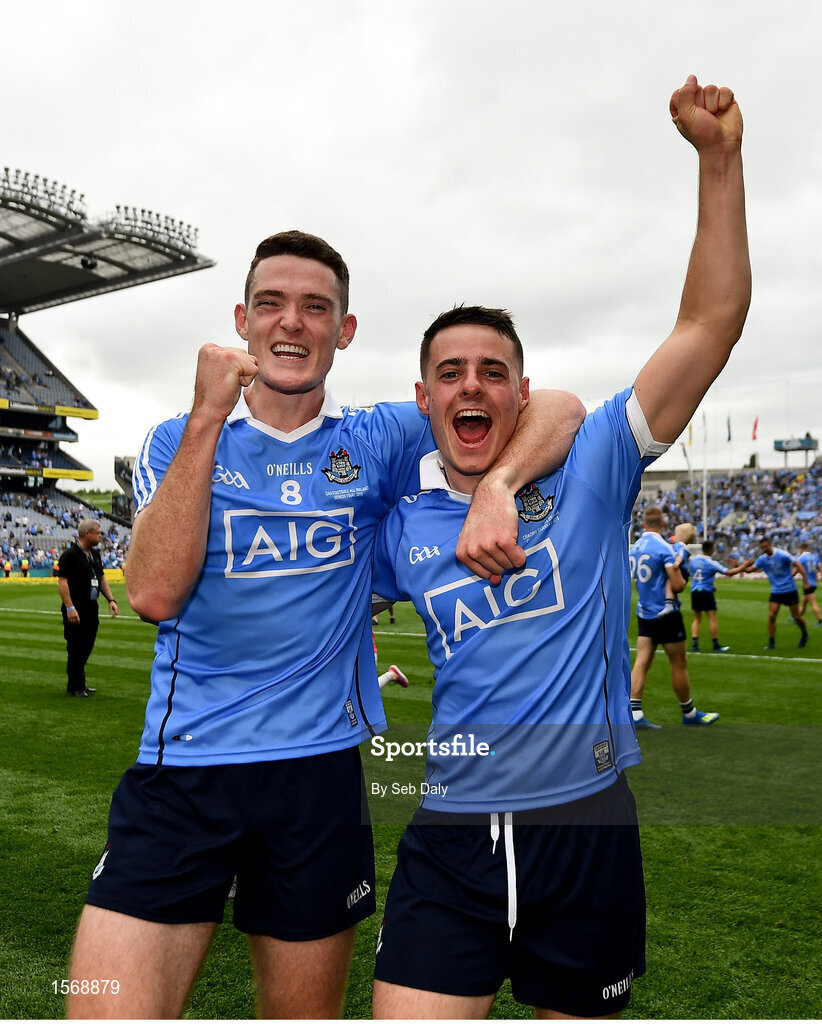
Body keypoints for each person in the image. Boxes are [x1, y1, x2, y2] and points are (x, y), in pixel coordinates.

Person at [66, 230, 584, 1020]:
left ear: (343, 331)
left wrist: (501, 482)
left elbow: (553, 405)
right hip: (185, 769)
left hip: (319, 779)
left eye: (317, 308)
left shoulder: (375, 438)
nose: (292, 324)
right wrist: (208, 417)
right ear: (243, 320)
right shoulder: (176, 438)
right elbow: (153, 595)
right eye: (271, 304)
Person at [369, 74, 751, 1019]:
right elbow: (298, 605)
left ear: (521, 392)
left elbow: (708, 326)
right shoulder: (400, 528)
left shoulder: (593, 471)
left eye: (493, 372)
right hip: (449, 834)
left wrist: (719, 163)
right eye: (450, 372)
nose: (472, 386)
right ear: (425, 401)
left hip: (585, 828)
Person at [630, 506, 718, 729]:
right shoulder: (665, 548)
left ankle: (635, 713)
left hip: (644, 611)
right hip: (666, 614)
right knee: (679, 664)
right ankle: (689, 713)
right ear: (663, 523)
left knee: (641, 661)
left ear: (643, 524)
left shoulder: (635, 547)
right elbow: (678, 584)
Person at [57, 519, 119, 697]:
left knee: (87, 645)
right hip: (76, 608)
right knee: (75, 646)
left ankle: (78, 683)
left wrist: (111, 599)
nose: (100, 536)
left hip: (92, 607)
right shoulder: (70, 555)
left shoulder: (95, 555)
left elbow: (101, 579)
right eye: (98, 533)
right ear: (87, 534)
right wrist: (70, 607)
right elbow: (62, 583)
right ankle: (76, 686)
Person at [741, 537, 809, 648]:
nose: (764, 549)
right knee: (772, 616)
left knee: (796, 617)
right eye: (762, 547)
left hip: (789, 589)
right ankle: (771, 642)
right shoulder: (762, 559)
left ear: (770, 545)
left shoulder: (783, 555)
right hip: (776, 590)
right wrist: (740, 566)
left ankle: (804, 634)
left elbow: (798, 565)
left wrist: (805, 581)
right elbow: (750, 570)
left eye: (766, 546)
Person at [688, 539, 745, 651]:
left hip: (695, 591)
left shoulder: (693, 561)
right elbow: (729, 573)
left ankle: (695, 643)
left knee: (697, 619)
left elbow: (698, 575)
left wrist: (710, 584)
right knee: (712, 618)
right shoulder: (711, 563)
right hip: (706, 592)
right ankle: (715, 645)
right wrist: (744, 566)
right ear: (712, 550)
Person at [659, 521, 696, 616]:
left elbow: (680, 555)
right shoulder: (682, 545)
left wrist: (676, 563)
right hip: (683, 570)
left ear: (681, 536)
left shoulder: (680, 545)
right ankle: (676, 599)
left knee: (668, 582)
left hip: (681, 569)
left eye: (676, 534)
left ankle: (669, 603)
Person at [796, 542, 822, 626]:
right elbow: (820, 569)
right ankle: (797, 617)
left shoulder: (801, 558)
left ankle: (820, 620)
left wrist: (789, 576)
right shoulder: (815, 557)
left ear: (801, 549)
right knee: (803, 603)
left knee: (813, 603)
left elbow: (796, 570)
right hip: (814, 582)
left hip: (807, 583)